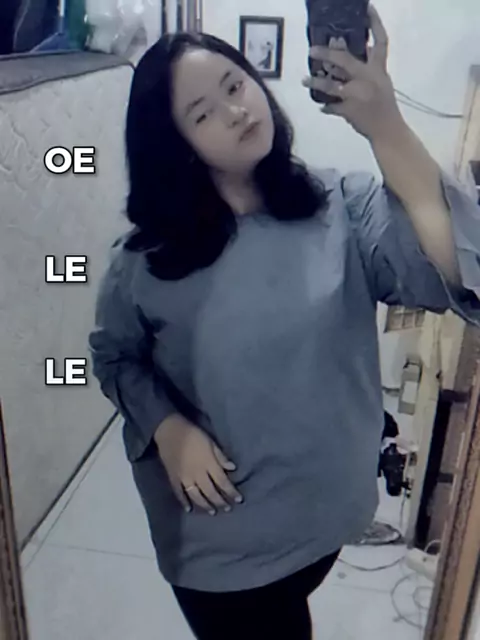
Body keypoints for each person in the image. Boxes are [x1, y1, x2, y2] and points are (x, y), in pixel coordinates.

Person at [88, 6, 480, 639]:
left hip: (329, 522)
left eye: (235, 85)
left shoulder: (339, 205)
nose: (235, 111)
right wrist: (167, 428)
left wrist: (383, 123)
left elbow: (457, 262)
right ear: (177, 148)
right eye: (202, 114)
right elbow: (114, 357)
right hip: (224, 546)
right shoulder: (144, 262)